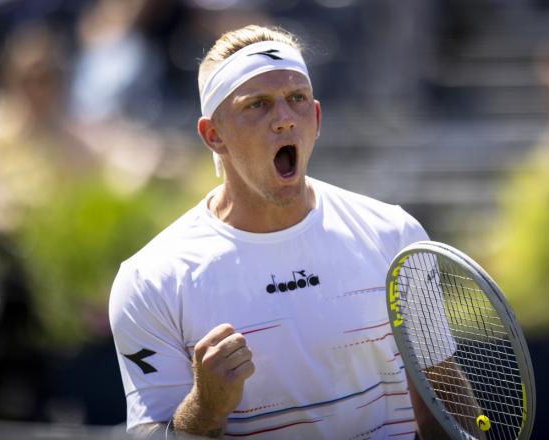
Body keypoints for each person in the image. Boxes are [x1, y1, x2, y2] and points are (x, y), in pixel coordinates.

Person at [109, 24, 451, 439]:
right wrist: (205, 406)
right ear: (213, 135)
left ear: (317, 116)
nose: (285, 120)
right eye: (258, 105)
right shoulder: (149, 281)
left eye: (297, 99)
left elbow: (443, 402)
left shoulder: (396, 235)